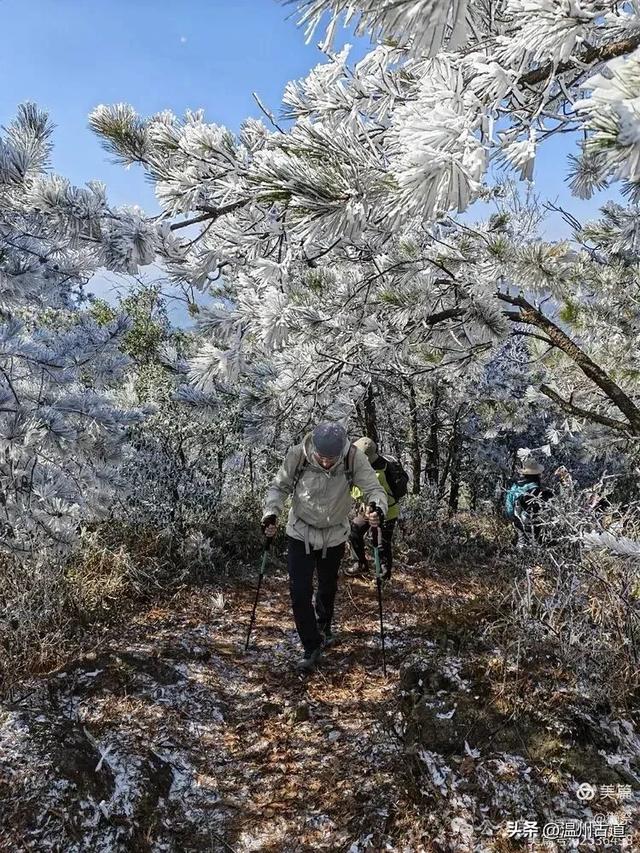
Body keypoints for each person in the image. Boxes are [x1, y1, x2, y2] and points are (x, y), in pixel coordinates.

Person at [261, 422, 388, 672]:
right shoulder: (298, 455)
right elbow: (279, 486)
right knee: (299, 592)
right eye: (322, 458)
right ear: (314, 450)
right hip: (300, 532)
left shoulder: (353, 457)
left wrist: (377, 508)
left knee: (327, 588)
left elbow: (374, 489)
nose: (327, 463)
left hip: (334, 535)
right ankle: (311, 645)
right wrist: (270, 513)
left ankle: (324, 626)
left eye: (332, 459)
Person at [346, 437, 408, 581]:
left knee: (381, 544)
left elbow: (366, 493)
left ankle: (383, 577)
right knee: (354, 530)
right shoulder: (373, 465)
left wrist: (350, 489)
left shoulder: (378, 474)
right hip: (368, 510)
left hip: (386, 513)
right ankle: (360, 563)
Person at [505, 458, 553, 547]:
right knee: (534, 540)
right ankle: (533, 557)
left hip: (517, 518)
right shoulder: (535, 489)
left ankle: (518, 556)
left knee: (521, 539)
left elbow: (509, 504)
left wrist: (511, 516)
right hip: (531, 520)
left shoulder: (516, 485)